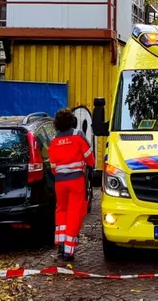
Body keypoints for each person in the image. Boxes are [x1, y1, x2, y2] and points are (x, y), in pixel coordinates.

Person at [50, 108, 95, 262]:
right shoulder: (78, 135)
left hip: (60, 182)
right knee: (75, 213)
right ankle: (69, 251)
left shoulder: (54, 140)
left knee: (61, 210)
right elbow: (89, 156)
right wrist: (90, 167)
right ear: (72, 121)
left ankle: (61, 245)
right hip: (76, 181)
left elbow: (53, 166)